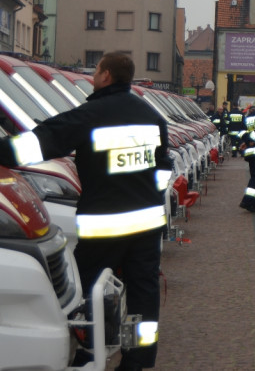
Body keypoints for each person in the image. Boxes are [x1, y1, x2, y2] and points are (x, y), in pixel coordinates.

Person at [0, 52, 171, 370]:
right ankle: (136, 358)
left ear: (105, 75)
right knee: (141, 293)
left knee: (86, 287)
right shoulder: (151, 115)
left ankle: (91, 350)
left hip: (105, 223)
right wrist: (149, 196)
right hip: (147, 221)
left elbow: (40, 143)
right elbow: (164, 167)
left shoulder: (91, 114)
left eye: (97, 72)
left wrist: (3, 151)